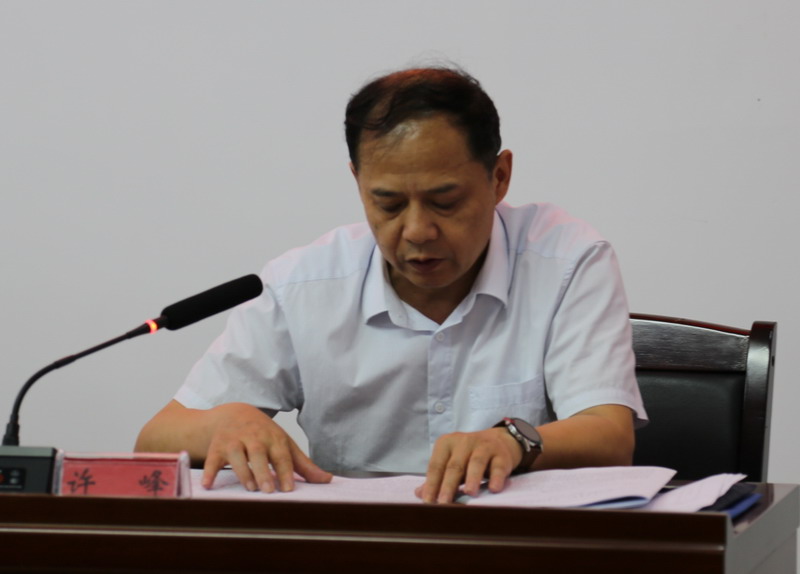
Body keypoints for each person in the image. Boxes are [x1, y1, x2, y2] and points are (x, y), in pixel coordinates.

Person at [135, 66, 647, 504]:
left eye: (445, 201)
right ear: (358, 182)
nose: (417, 231)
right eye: (389, 204)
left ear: (499, 177)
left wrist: (514, 440)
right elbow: (155, 438)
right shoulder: (303, 285)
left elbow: (608, 434)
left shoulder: (566, 261)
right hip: (358, 547)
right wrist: (222, 423)